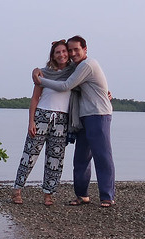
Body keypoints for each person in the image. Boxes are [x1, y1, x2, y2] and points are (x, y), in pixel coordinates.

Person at [31, 35, 115, 207]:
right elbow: (58, 72)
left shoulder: (87, 64)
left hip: (98, 114)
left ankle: (107, 196)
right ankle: (82, 195)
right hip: (83, 116)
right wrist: (37, 70)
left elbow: (65, 85)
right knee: (81, 158)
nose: (73, 53)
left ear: (85, 49)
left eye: (76, 49)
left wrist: (39, 80)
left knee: (102, 156)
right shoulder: (75, 68)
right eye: (71, 50)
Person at [11, 40, 75, 206]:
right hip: (42, 116)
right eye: (57, 52)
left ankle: (48, 193)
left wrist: (106, 93)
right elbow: (35, 98)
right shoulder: (43, 73)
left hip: (61, 119)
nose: (61, 55)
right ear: (52, 56)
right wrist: (31, 121)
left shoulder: (73, 73)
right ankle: (17, 189)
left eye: (64, 52)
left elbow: (89, 84)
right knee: (29, 155)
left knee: (55, 159)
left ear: (68, 54)